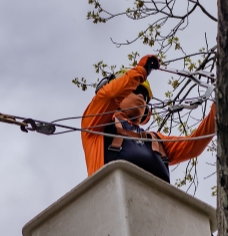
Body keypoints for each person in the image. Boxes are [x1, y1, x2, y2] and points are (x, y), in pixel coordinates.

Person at [81, 55, 216, 183]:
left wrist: (219, 108)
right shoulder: (96, 125)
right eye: (136, 90)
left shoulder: (155, 141)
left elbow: (195, 144)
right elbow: (109, 96)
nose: (140, 96)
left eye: (145, 96)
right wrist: (140, 71)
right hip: (113, 202)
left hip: (155, 205)